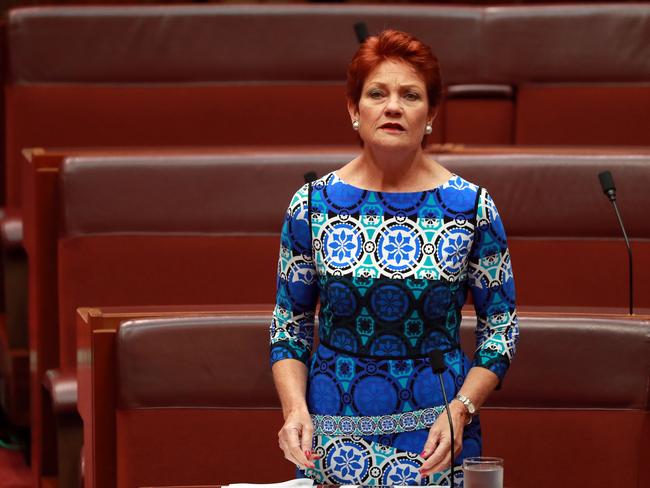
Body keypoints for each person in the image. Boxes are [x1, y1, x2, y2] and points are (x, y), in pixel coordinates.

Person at [270, 29, 518, 486]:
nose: (393, 107)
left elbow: (500, 331)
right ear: (353, 109)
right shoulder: (310, 205)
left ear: (431, 114)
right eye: (377, 93)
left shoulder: (472, 207)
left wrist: (463, 409)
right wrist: (294, 410)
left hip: (438, 433)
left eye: (410, 95)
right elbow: (290, 325)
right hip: (332, 432)